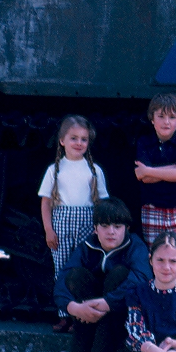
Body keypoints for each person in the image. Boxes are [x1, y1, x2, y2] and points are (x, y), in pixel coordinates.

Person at [54, 197, 153, 352]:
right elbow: (62, 278)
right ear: (95, 228)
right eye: (105, 226)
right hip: (90, 307)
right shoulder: (87, 246)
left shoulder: (135, 246)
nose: (111, 232)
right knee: (76, 275)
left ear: (127, 228)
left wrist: (108, 302)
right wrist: (72, 307)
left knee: (120, 274)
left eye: (117, 226)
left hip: (118, 312)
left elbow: (141, 278)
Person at [39, 115, 110, 333]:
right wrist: (48, 229)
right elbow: (46, 201)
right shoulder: (55, 170)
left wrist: (101, 228)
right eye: (73, 138)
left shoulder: (94, 170)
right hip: (62, 221)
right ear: (62, 141)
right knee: (61, 268)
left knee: (83, 267)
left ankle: (82, 314)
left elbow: (102, 202)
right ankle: (64, 314)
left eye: (84, 139)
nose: (79, 143)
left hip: (87, 221)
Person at [134, 92, 176, 287]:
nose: (166, 122)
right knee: (156, 261)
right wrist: (172, 170)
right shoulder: (144, 143)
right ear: (152, 119)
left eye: (172, 117)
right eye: (161, 116)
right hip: (151, 210)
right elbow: (140, 175)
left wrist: (151, 170)